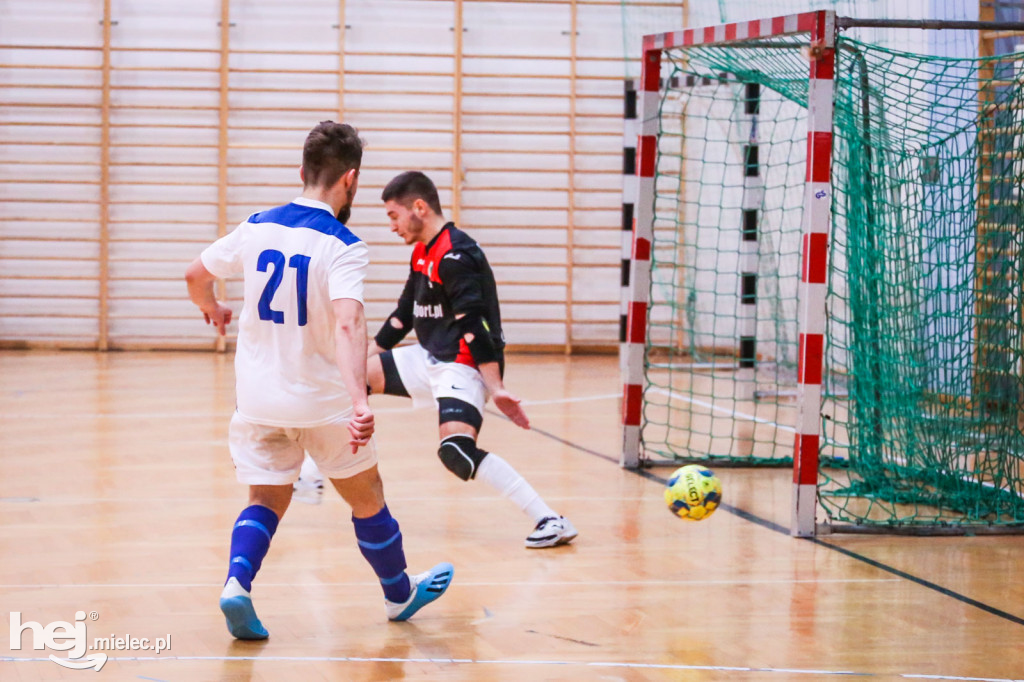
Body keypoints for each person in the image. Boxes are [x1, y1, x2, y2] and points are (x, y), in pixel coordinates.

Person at [184, 122, 453, 641]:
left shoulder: (257, 226)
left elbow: (195, 274)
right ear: (350, 180)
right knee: (367, 494)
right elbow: (350, 322)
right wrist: (359, 399)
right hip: (321, 404)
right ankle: (399, 594)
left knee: (264, 498)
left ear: (301, 172)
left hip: (258, 402)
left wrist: (212, 307)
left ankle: (237, 585)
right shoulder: (344, 244)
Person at [368, 170, 577, 548]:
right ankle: (313, 475)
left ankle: (550, 520)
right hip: (429, 356)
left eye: (394, 216)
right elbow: (403, 315)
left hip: (463, 364)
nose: (392, 227)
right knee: (351, 376)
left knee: (455, 453)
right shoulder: (423, 251)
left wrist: (495, 388)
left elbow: (476, 327)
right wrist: (369, 352)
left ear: (419, 207)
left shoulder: (456, 255)